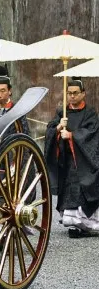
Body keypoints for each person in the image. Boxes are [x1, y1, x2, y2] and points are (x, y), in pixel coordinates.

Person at [44, 80, 99, 231]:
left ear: (83, 93)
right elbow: (49, 131)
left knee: (82, 185)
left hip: (82, 159)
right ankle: (70, 219)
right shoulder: (62, 112)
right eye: (69, 93)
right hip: (66, 159)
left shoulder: (90, 114)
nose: (72, 96)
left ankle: (85, 221)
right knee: (67, 186)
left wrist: (72, 135)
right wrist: (58, 127)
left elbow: (92, 134)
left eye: (75, 93)